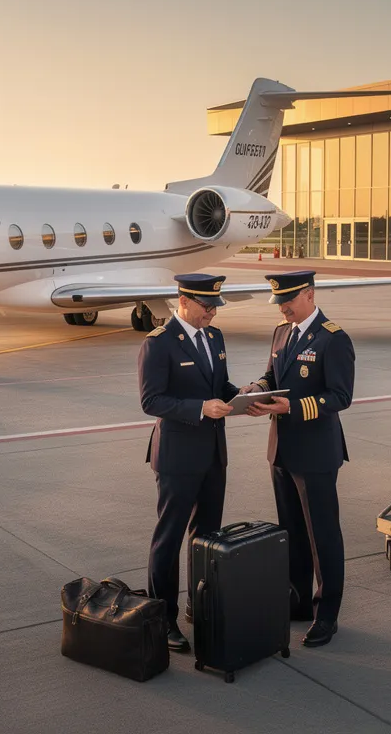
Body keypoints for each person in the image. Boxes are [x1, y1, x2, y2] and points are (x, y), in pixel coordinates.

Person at [242, 270, 354, 648]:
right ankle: (299, 601)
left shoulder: (333, 339)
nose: (283, 308)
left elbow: (340, 396)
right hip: (282, 450)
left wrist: (291, 407)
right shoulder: (281, 333)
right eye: (279, 302)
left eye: (288, 301)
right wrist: (256, 390)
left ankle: (327, 614)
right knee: (291, 533)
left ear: (309, 294)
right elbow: (272, 375)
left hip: (316, 453)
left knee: (323, 536)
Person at [136, 273, 239, 652]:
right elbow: (151, 401)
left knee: (207, 537)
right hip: (178, 457)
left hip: (213, 454)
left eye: (215, 306)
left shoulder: (215, 337)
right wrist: (200, 408)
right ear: (183, 301)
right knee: (169, 538)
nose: (213, 312)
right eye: (206, 306)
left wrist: (244, 396)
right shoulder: (159, 343)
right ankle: (164, 619)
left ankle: (201, 605)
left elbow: (220, 387)